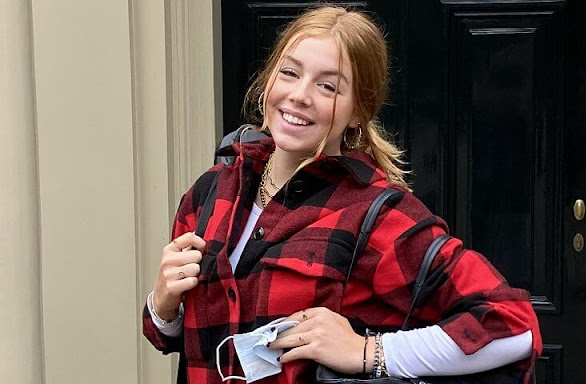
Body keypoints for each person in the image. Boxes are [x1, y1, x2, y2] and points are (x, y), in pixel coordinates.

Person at [143, 6, 542, 384]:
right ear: (268, 82)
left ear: (357, 112)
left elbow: (512, 325)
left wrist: (369, 352)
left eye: (328, 86)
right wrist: (162, 308)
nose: (300, 95)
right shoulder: (210, 191)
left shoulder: (378, 215)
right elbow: (178, 340)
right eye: (289, 73)